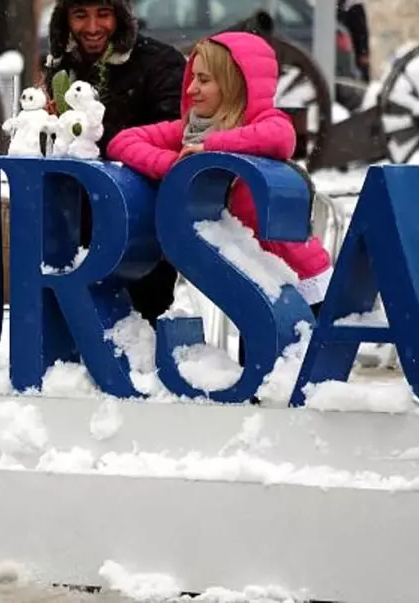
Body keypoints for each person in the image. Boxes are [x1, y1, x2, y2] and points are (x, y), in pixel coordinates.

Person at [106, 32, 333, 361]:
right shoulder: (190, 129)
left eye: (203, 79)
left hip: (300, 287)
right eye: (191, 77)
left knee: (290, 387)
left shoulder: (263, 122)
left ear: (233, 83)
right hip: (258, 288)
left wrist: (211, 148)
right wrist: (173, 164)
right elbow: (123, 142)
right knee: (260, 386)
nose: (190, 89)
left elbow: (281, 137)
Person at [42, 0, 187, 323]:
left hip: (140, 229)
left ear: (120, 14)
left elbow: (174, 133)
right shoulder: (60, 69)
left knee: (139, 322)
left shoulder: (161, 64)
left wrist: (105, 141)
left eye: (103, 13)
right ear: (65, 20)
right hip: (73, 226)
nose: (92, 27)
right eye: (80, 15)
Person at [337, 0, 371, 81]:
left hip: (356, 47)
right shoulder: (339, 6)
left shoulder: (356, 7)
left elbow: (362, 31)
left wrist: (363, 52)